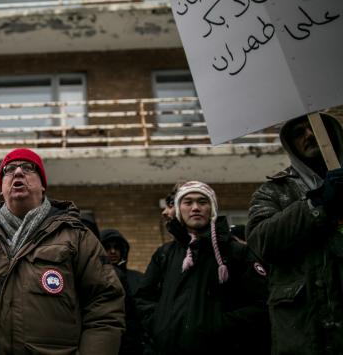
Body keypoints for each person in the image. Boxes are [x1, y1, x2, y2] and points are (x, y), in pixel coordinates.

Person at [0, 148, 125, 354]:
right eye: (9, 169)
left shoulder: (76, 236)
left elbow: (104, 306)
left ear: (43, 186)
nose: (18, 172)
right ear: (2, 188)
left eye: (29, 168)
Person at [135, 181, 269, 355]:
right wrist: (160, 323)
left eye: (202, 202)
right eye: (188, 202)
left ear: (212, 209)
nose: (195, 208)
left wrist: (218, 325)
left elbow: (261, 303)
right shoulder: (164, 254)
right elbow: (142, 298)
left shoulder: (236, 252)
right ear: (179, 209)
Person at [247, 113, 343, 354]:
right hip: (302, 333)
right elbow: (261, 241)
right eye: (299, 133)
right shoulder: (273, 192)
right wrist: (316, 204)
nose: (309, 135)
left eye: (313, 128)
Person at [101, 228, 145, 354]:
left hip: (134, 345)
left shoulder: (138, 278)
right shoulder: (92, 280)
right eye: (107, 247)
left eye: (116, 247)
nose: (113, 251)